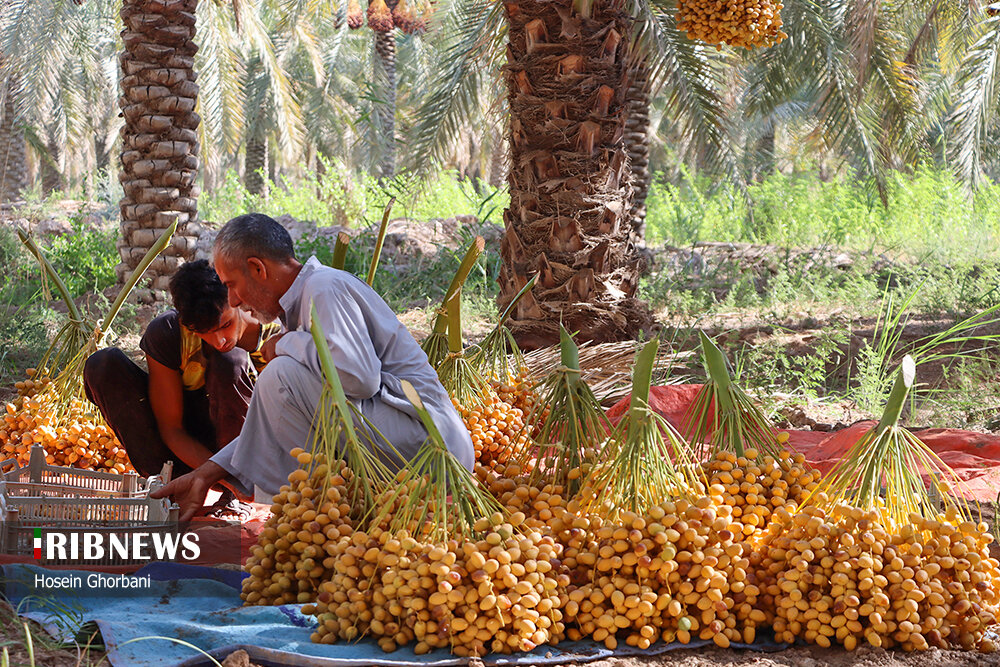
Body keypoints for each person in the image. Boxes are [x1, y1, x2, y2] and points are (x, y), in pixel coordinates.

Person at [151, 213, 474, 521]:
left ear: (257, 268)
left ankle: (321, 509)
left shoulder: (324, 288)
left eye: (232, 284)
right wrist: (206, 473)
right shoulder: (302, 306)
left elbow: (358, 378)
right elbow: (270, 420)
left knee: (279, 375)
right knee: (280, 378)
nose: (233, 301)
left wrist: (284, 344)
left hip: (430, 445)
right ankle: (325, 508)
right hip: (408, 444)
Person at [84, 259, 280, 514]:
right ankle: (169, 488)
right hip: (185, 451)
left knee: (229, 358)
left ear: (237, 301)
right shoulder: (168, 332)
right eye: (204, 333)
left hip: (245, 449)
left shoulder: (275, 337)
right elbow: (172, 428)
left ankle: (233, 491)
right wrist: (203, 476)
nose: (219, 339)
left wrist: (233, 481)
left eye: (225, 325)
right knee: (102, 364)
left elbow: (282, 425)